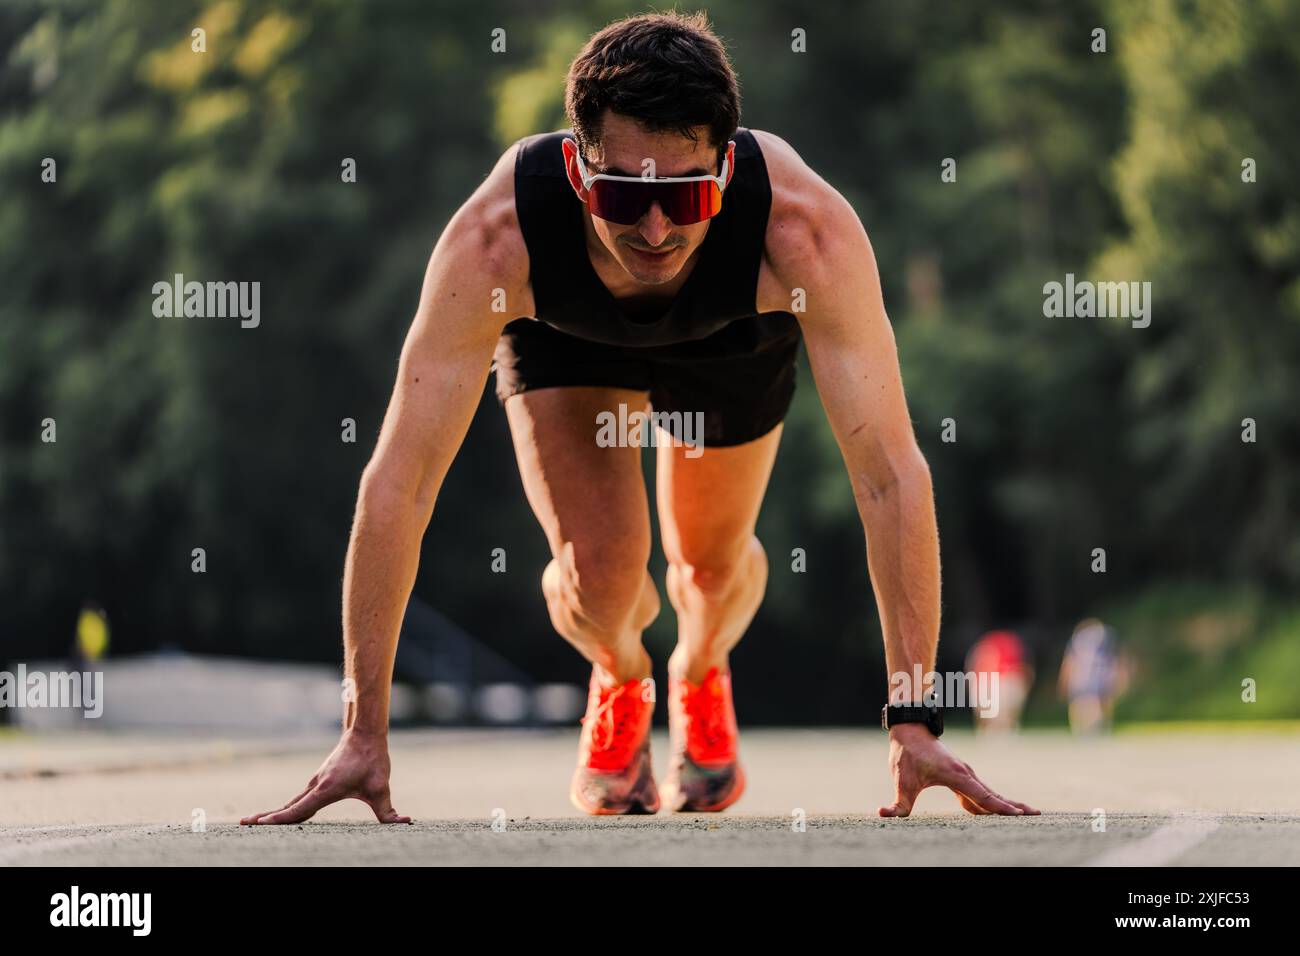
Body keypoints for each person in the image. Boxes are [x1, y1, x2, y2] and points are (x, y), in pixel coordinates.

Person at [243, 11, 1037, 825]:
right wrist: (361, 734)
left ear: (725, 169)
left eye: (686, 196)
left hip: (731, 339)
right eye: (625, 195)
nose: (656, 231)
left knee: (708, 572)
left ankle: (699, 664)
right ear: (580, 173)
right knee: (603, 580)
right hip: (567, 344)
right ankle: (621, 676)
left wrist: (913, 718)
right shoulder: (497, 242)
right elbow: (400, 483)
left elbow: (889, 475)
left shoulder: (800, 232)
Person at [1058, 618, 1130, 735]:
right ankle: (1096, 728)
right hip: (1089, 678)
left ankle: (1086, 729)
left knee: (1088, 703)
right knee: (1091, 703)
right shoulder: (1104, 638)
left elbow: (1069, 662)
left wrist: (1064, 680)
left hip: (1087, 678)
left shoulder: (1081, 640)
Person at [964, 630, 1033, 733]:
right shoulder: (985, 648)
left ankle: (1004, 727)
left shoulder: (1010, 648)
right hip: (988, 683)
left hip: (1001, 682)